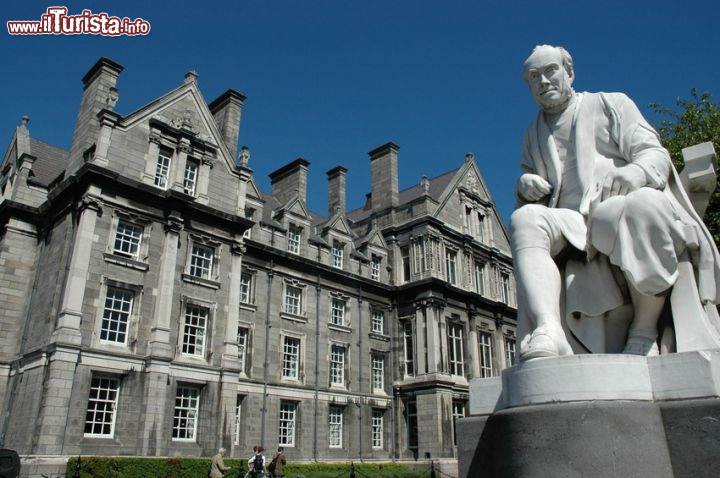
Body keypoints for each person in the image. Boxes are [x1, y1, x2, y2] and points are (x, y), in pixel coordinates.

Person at [510, 44, 720, 361]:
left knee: (635, 208)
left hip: (617, 202)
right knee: (524, 221)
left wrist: (636, 172)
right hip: (570, 221)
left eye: (550, 71)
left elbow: (654, 154)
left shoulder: (611, 104)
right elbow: (531, 182)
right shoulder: (533, 134)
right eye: (534, 77)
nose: (543, 82)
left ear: (569, 71)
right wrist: (524, 186)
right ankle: (548, 329)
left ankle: (645, 328)